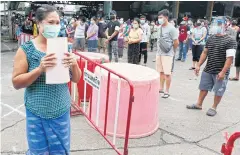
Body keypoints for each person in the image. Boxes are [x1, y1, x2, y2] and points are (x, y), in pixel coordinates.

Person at [11, 5, 81, 154]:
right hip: (36, 111)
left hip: (61, 110)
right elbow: (16, 82)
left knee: (61, 151)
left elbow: (76, 79)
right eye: (51, 22)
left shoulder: (62, 47)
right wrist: (39, 69)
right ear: (39, 23)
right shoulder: (26, 50)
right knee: (38, 151)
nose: (56, 26)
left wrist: (74, 65)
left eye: (58, 22)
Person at [186, 18, 237, 116]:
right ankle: (199, 104)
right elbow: (205, 52)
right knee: (203, 87)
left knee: (219, 90)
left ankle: (214, 107)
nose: (216, 26)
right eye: (215, 24)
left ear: (225, 25)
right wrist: (198, 65)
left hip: (220, 71)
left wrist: (223, 72)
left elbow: (230, 58)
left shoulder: (230, 40)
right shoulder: (211, 38)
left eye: (219, 24)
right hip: (208, 69)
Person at [156, 9, 179, 98]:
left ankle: (167, 91)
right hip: (159, 53)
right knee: (161, 72)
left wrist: (172, 51)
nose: (159, 19)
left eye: (161, 17)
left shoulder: (171, 28)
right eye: (158, 18)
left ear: (166, 17)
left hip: (168, 54)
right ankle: (161, 88)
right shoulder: (160, 27)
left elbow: (176, 42)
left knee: (167, 73)